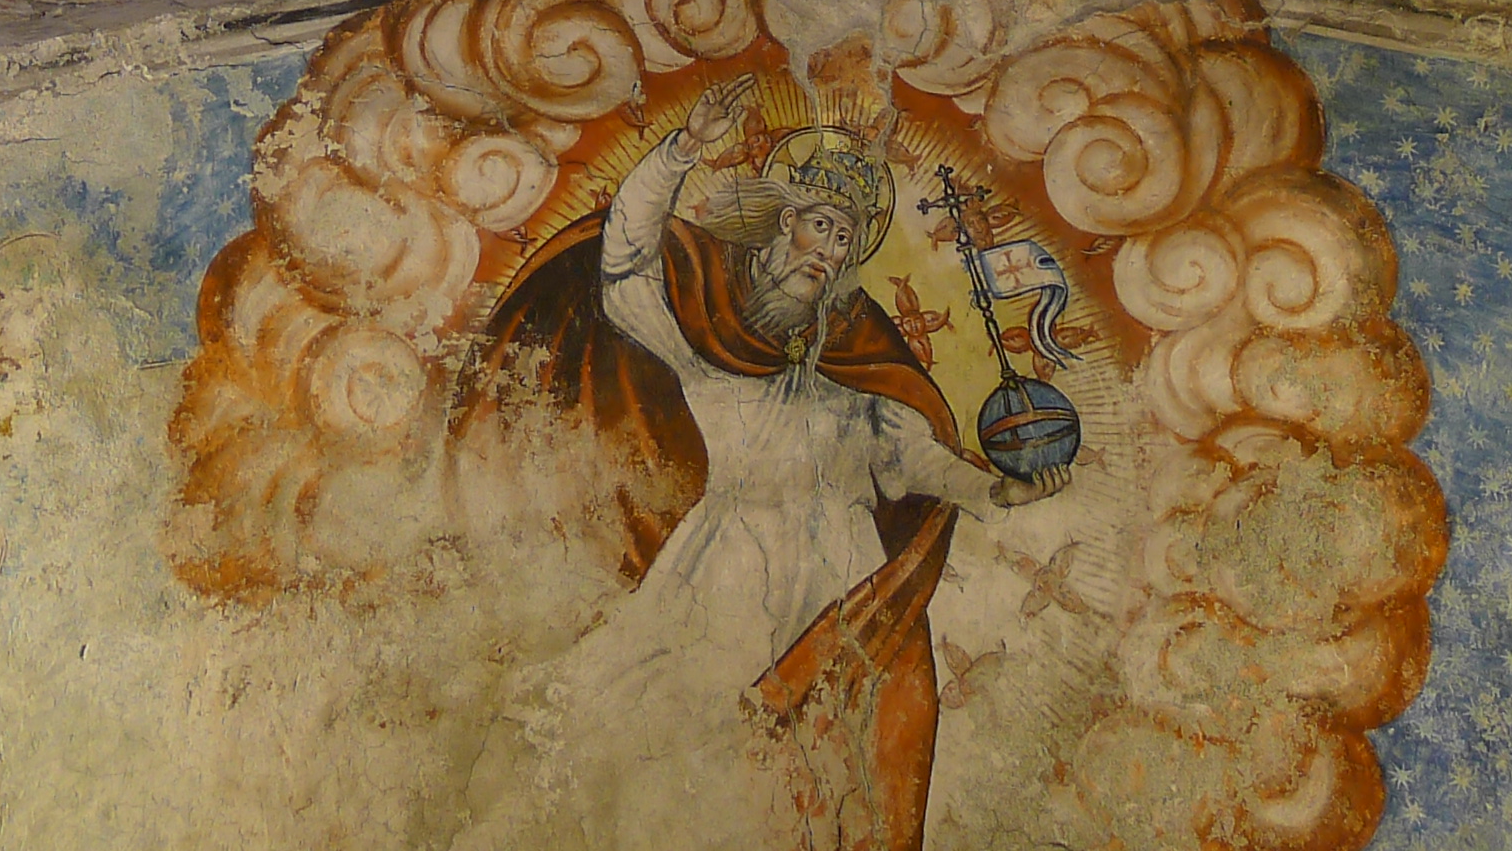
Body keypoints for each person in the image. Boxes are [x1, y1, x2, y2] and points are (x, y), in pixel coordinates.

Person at [455, 77, 1070, 849]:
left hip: (837, 585)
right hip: (721, 571)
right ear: (786, 225)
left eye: (845, 240)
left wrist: (1000, 489)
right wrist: (683, 149)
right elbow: (624, 264)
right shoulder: (709, 347)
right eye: (821, 226)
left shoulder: (856, 373)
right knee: (676, 747)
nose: (830, 250)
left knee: (816, 784)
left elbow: (919, 458)